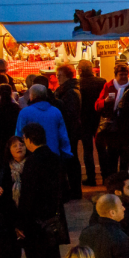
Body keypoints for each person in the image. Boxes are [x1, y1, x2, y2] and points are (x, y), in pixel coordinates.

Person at [17, 123, 64, 258]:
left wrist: (20, 223)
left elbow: (27, 195)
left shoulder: (32, 161)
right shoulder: (55, 158)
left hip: (35, 223)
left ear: (28, 139)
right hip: (53, 219)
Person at [96, 63, 129, 179]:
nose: (123, 77)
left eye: (125, 74)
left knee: (125, 158)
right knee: (112, 156)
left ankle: (122, 181)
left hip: (126, 128)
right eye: (121, 74)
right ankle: (113, 181)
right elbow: (97, 105)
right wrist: (105, 102)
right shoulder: (109, 86)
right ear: (116, 75)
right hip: (111, 128)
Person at [16, 84, 73, 158]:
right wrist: (67, 153)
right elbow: (63, 135)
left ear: (32, 96)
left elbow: (19, 134)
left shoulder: (25, 112)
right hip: (54, 154)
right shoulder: (56, 112)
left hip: (31, 155)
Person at [55, 63, 84, 199]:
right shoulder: (70, 90)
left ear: (67, 75)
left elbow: (70, 113)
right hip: (71, 131)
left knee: (71, 161)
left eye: (59, 75)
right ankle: (74, 189)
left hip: (69, 131)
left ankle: (75, 190)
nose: (57, 77)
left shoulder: (69, 92)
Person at [76, 60, 104, 186]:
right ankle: (106, 175)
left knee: (88, 151)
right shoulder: (101, 82)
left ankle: (91, 178)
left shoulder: (79, 84)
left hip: (84, 120)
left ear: (80, 70)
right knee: (102, 149)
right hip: (99, 119)